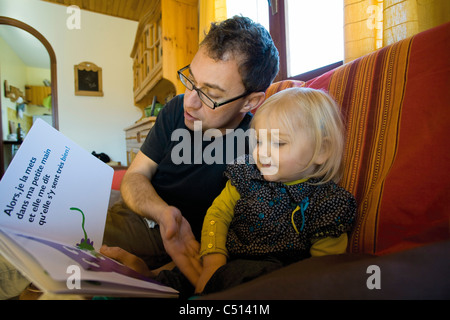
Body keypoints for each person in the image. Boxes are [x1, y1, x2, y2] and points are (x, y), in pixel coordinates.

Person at [101, 16, 279, 276]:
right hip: (142, 211)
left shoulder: (255, 148)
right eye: (192, 81)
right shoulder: (176, 108)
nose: (190, 102)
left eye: (211, 94)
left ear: (249, 102)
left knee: (46, 233)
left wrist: (158, 273)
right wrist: (162, 212)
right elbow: (136, 175)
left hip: (162, 237)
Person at [175, 87, 357, 294]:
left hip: (273, 277)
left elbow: (323, 269)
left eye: (278, 143)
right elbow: (218, 214)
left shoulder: (328, 202)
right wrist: (212, 262)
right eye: (259, 141)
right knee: (174, 279)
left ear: (322, 150)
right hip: (225, 261)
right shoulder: (246, 174)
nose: (261, 152)